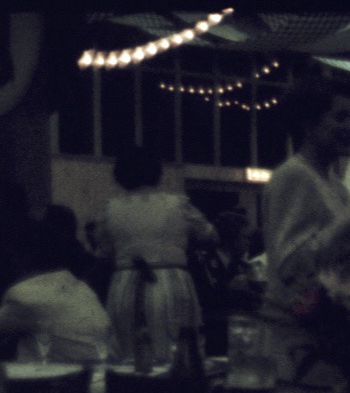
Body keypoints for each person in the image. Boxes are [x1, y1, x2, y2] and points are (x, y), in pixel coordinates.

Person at [260, 76, 350, 380]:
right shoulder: (292, 176)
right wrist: (346, 229)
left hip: (325, 332)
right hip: (294, 336)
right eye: (340, 116)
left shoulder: (337, 187)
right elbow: (286, 264)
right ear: (309, 123)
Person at [98, 145, 216, 364]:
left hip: (124, 282)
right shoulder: (178, 204)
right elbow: (209, 236)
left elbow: (104, 250)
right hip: (171, 280)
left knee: (127, 352)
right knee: (178, 350)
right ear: (157, 172)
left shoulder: (110, 209)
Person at [0, 220, 110, 363]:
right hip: (92, 378)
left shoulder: (24, 295)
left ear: (20, 254)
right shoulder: (82, 288)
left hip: (52, 381)